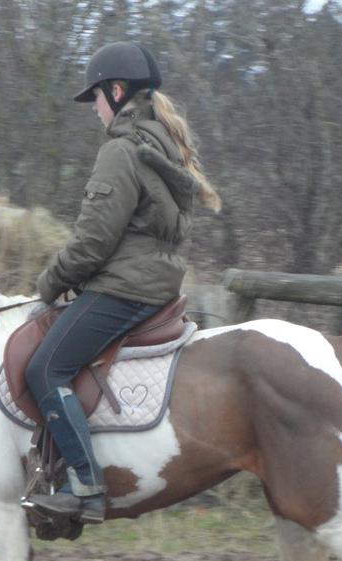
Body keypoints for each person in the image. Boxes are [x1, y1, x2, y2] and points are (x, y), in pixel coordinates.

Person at [24, 41, 222, 526]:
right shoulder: (165, 147)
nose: (93, 108)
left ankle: (86, 487)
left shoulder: (121, 150)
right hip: (157, 284)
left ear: (116, 91)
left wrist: (47, 287)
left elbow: (92, 242)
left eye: (95, 97)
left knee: (45, 368)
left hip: (126, 288)